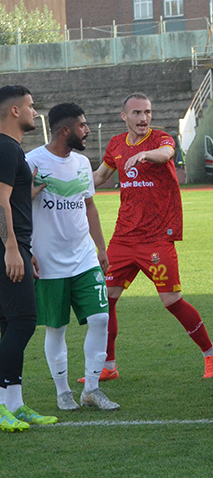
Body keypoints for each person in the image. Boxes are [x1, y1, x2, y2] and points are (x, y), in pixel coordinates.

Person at [93, 93, 213, 379]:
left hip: (157, 237)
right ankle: (108, 366)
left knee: (171, 301)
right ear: (124, 116)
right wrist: (67, 183)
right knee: (107, 299)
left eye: (148, 112)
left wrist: (144, 154)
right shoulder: (115, 144)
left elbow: (167, 154)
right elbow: (100, 177)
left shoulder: (161, 139)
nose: (144, 118)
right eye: (137, 113)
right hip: (123, 237)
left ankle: (211, 353)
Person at [27, 103, 119, 412]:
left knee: (101, 318)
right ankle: (63, 391)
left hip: (84, 259)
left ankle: (91, 389)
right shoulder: (31, 162)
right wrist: (27, 195)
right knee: (56, 328)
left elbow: (89, 206)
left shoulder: (81, 163)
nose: (88, 129)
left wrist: (101, 247)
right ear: (65, 130)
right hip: (48, 261)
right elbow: (11, 207)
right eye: (82, 125)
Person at [0, 85, 55, 431]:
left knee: (9, 324)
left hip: (16, 246)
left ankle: (15, 405)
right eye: (31, 106)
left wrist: (25, 249)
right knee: (23, 322)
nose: (35, 112)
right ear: (14, 111)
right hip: (6, 248)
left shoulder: (12, 150)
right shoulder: (5, 148)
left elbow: (13, 199)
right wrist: (11, 249)